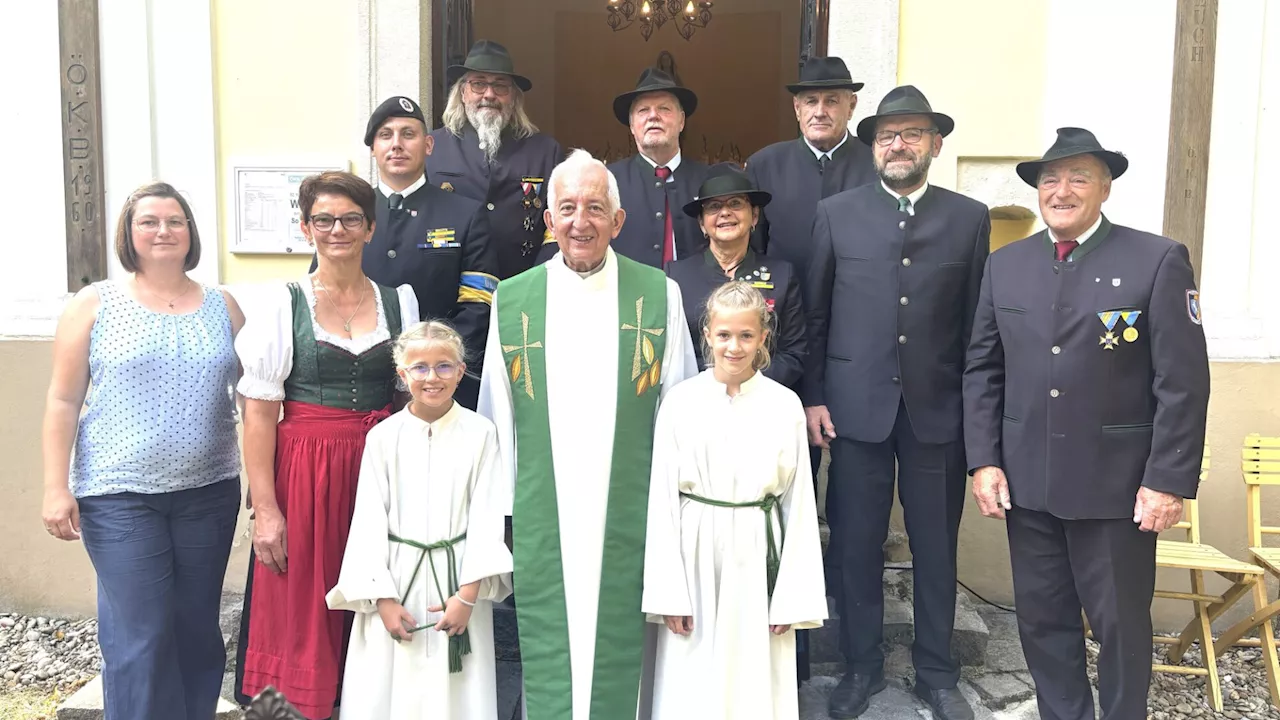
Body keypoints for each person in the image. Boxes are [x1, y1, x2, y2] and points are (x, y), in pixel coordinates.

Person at [964, 127, 1210, 720]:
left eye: (1078, 177)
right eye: (1050, 179)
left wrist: (1168, 479)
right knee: (1043, 623)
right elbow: (982, 368)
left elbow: (1182, 382)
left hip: (1118, 490)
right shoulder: (1006, 266)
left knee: (1121, 629)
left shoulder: (1156, 259)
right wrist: (985, 460)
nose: (1061, 190)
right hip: (1029, 484)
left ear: (1104, 187)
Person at [477, 149, 698, 719]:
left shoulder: (657, 294)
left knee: (624, 652)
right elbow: (497, 412)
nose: (581, 222)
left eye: (596, 208)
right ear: (548, 220)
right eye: (568, 208)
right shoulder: (514, 300)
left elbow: (679, 407)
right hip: (544, 502)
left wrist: (677, 503)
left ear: (618, 222)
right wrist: (501, 512)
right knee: (554, 639)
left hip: (630, 502)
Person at [805, 86, 989, 720]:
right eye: (887, 135)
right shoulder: (837, 212)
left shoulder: (969, 217)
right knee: (854, 543)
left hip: (938, 412)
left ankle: (936, 673)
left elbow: (975, 329)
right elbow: (817, 315)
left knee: (936, 545)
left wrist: (974, 410)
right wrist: (815, 397)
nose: (898, 145)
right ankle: (860, 666)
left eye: (911, 134)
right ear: (873, 146)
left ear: (935, 144)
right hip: (855, 412)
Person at [40, 182, 245, 720]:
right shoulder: (95, 303)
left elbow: (258, 393)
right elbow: (63, 400)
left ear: (190, 233)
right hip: (118, 495)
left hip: (209, 491)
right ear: (129, 234)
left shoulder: (223, 306)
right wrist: (55, 487)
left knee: (197, 627)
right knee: (142, 632)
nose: (163, 231)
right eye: (148, 221)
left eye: (175, 221)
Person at [234, 171, 419, 720]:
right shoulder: (281, 303)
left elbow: (413, 397)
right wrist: (266, 508)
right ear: (305, 227)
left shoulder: (397, 301)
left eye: (350, 219)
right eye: (324, 219)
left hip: (380, 469)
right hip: (306, 473)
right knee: (304, 606)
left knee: (376, 591)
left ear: (370, 228)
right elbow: (260, 414)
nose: (337, 229)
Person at [643, 281, 826, 719]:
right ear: (706, 334)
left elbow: (798, 504)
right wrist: (668, 592)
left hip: (758, 554)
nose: (735, 346)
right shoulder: (679, 402)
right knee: (691, 671)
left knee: (752, 676)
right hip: (694, 554)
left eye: (746, 335)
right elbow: (662, 499)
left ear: (764, 337)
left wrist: (792, 597)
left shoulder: (785, 405)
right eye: (724, 335)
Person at [326, 321, 513, 720]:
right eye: (420, 367)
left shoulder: (481, 434)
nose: (432, 377)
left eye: (444, 366)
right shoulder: (383, 437)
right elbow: (368, 520)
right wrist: (384, 599)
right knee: (388, 689)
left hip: (458, 584)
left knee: (457, 694)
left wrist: (466, 596)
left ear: (461, 371)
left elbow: (486, 516)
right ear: (402, 374)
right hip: (395, 583)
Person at [318, 95, 497, 410]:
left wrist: (430, 365)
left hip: (438, 388)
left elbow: (478, 308)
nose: (396, 144)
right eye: (385, 135)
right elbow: (320, 294)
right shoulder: (345, 216)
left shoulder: (466, 214)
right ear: (373, 148)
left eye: (408, 134)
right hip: (359, 388)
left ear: (428, 145)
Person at [429, 40, 563, 280]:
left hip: (524, 285)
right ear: (463, 92)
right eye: (478, 84)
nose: (489, 94)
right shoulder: (433, 147)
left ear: (513, 97)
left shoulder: (545, 151)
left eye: (500, 86)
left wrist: (538, 279)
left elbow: (558, 226)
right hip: (450, 288)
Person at [666, 164, 805, 389]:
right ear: (702, 223)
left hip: (762, 400)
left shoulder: (782, 275)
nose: (725, 212)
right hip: (698, 399)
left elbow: (794, 352)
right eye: (713, 207)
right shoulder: (676, 277)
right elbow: (672, 353)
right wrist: (716, 386)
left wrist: (747, 386)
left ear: (754, 216)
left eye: (736, 204)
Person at [744, 56, 876, 276]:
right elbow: (753, 247)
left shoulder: (876, 164)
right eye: (811, 101)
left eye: (832, 101)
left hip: (854, 302)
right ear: (797, 108)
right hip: (786, 304)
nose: (820, 112)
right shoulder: (764, 165)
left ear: (851, 106)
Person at [597, 67, 709, 268]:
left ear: (682, 121)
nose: (653, 116)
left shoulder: (708, 180)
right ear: (632, 126)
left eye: (664, 109)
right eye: (643, 110)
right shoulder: (605, 181)